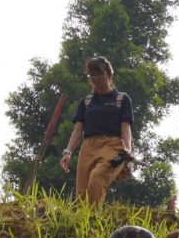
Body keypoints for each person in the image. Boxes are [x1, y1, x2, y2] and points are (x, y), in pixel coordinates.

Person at [59, 57, 138, 206]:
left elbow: (125, 127)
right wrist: (67, 152)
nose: (95, 78)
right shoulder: (86, 102)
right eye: (92, 75)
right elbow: (78, 130)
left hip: (112, 145)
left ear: (109, 75)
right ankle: (83, 219)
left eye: (99, 74)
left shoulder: (122, 99)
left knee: (97, 177)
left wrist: (128, 149)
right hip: (88, 146)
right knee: (82, 193)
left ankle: (93, 216)